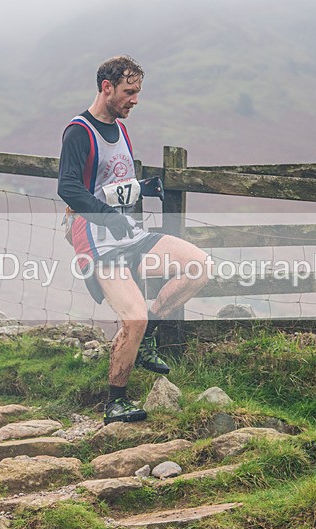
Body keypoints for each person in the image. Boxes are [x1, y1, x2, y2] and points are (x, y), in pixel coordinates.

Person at [58, 55, 210, 424]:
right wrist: (108, 216)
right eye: (129, 91)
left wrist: (141, 187)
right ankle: (116, 402)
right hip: (93, 236)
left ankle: (146, 339)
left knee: (198, 266)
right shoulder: (79, 131)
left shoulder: (121, 130)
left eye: (138, 92)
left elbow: (111, 183)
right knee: (133, 318)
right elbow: (69, 188)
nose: (135, 100)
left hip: (126, 231)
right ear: (106, 87)